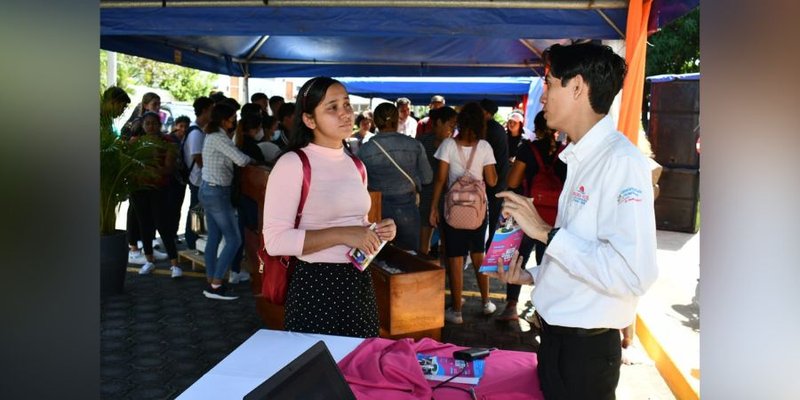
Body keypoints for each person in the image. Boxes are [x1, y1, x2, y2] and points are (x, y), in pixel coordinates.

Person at [489, 42, 658, 399]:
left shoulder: (621, 162)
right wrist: (533, 275)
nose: (544, 96)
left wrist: (545, 233)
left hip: (586, 353)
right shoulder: (581, 157)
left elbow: (633, 274)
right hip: (558, 341)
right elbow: (587, 253)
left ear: (578, 87)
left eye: (550, 84)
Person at [263, 77, 397, 338]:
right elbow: (275, 242)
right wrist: (343, 233)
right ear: (309, 120)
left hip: (358, 280)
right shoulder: (293, 164)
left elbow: (355, 224)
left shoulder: (355, 164)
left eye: (346, 104)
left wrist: (377, 231)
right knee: (320, 373)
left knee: (359, 368)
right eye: (332, 107)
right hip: (315, 285)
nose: (345, 113)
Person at [429, 102, 498, 324]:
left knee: (455, 258)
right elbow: (492, 180)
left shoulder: (448, 145)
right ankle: (486, 302)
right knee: (479, 254)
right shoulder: (485, 147)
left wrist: (433, 207)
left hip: (453, 209)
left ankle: (457, 310)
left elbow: (440, 179)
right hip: (477, 210)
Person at [496, 111, 566, 321]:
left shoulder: (528, 148)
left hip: (527, 214)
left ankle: (511, 306)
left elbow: (514, 181)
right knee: (548, 264)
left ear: (536, 128)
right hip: (554, 217)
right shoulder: (566, 152)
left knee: (518, 259)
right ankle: (541, 311)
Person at [357, 103, 432, 252]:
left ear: (375, 122)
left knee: (379, 257)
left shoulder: (365, 150)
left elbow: (360, 183)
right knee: (408, 256)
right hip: (408, 209)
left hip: (376, 209)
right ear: (398, 119)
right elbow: (427, 178)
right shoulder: (414, 145)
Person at [198, 103, 253, 300]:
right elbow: (241, 159)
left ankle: (212, 279)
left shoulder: (214, 135)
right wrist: (254, 160)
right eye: (233, 117)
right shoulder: (219, 137)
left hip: (209, 190)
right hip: (217, 193)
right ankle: (216, 284)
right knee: (234, 239)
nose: (235, 120)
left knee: (214, 237)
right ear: (224, 120)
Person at [129, 112, 183, 278]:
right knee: (144, 225)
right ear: (143, 126)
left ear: (160, 125)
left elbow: (169, 168)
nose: (151, 127)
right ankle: (149, 260)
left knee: (163, 224)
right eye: (147, 124)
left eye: (154, 123)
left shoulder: (168, 142)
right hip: (139, 189)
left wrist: (148, 166)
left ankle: (174, 264)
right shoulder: (136, 142)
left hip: (159, 189)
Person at [417, 106, 457, 256]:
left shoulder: (454, 144)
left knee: (449, 243)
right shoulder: (421, 143)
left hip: (448, 197)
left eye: (455, 126)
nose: (453, 129)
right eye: (450, 124)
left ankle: (447, 274)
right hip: (425, 196)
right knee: (423, 245)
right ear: (439, 122)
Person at [183, 96, 215, 251]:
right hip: (197, 179)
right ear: (204, 111)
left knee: (197, 210)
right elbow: (198, 157)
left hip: (198, 179)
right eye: (211, 110)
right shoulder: (195, 133)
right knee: (196, 211)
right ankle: (192, 240)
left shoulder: (199, 131)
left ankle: (193, 239)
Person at [479, 98, 510, 251]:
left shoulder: (489, 129)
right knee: (494, 214)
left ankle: (489, 247)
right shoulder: (497, 128)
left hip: (493, 178)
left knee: (488, 215)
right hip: (499, 177)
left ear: (485, 112)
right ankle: (490, 246)